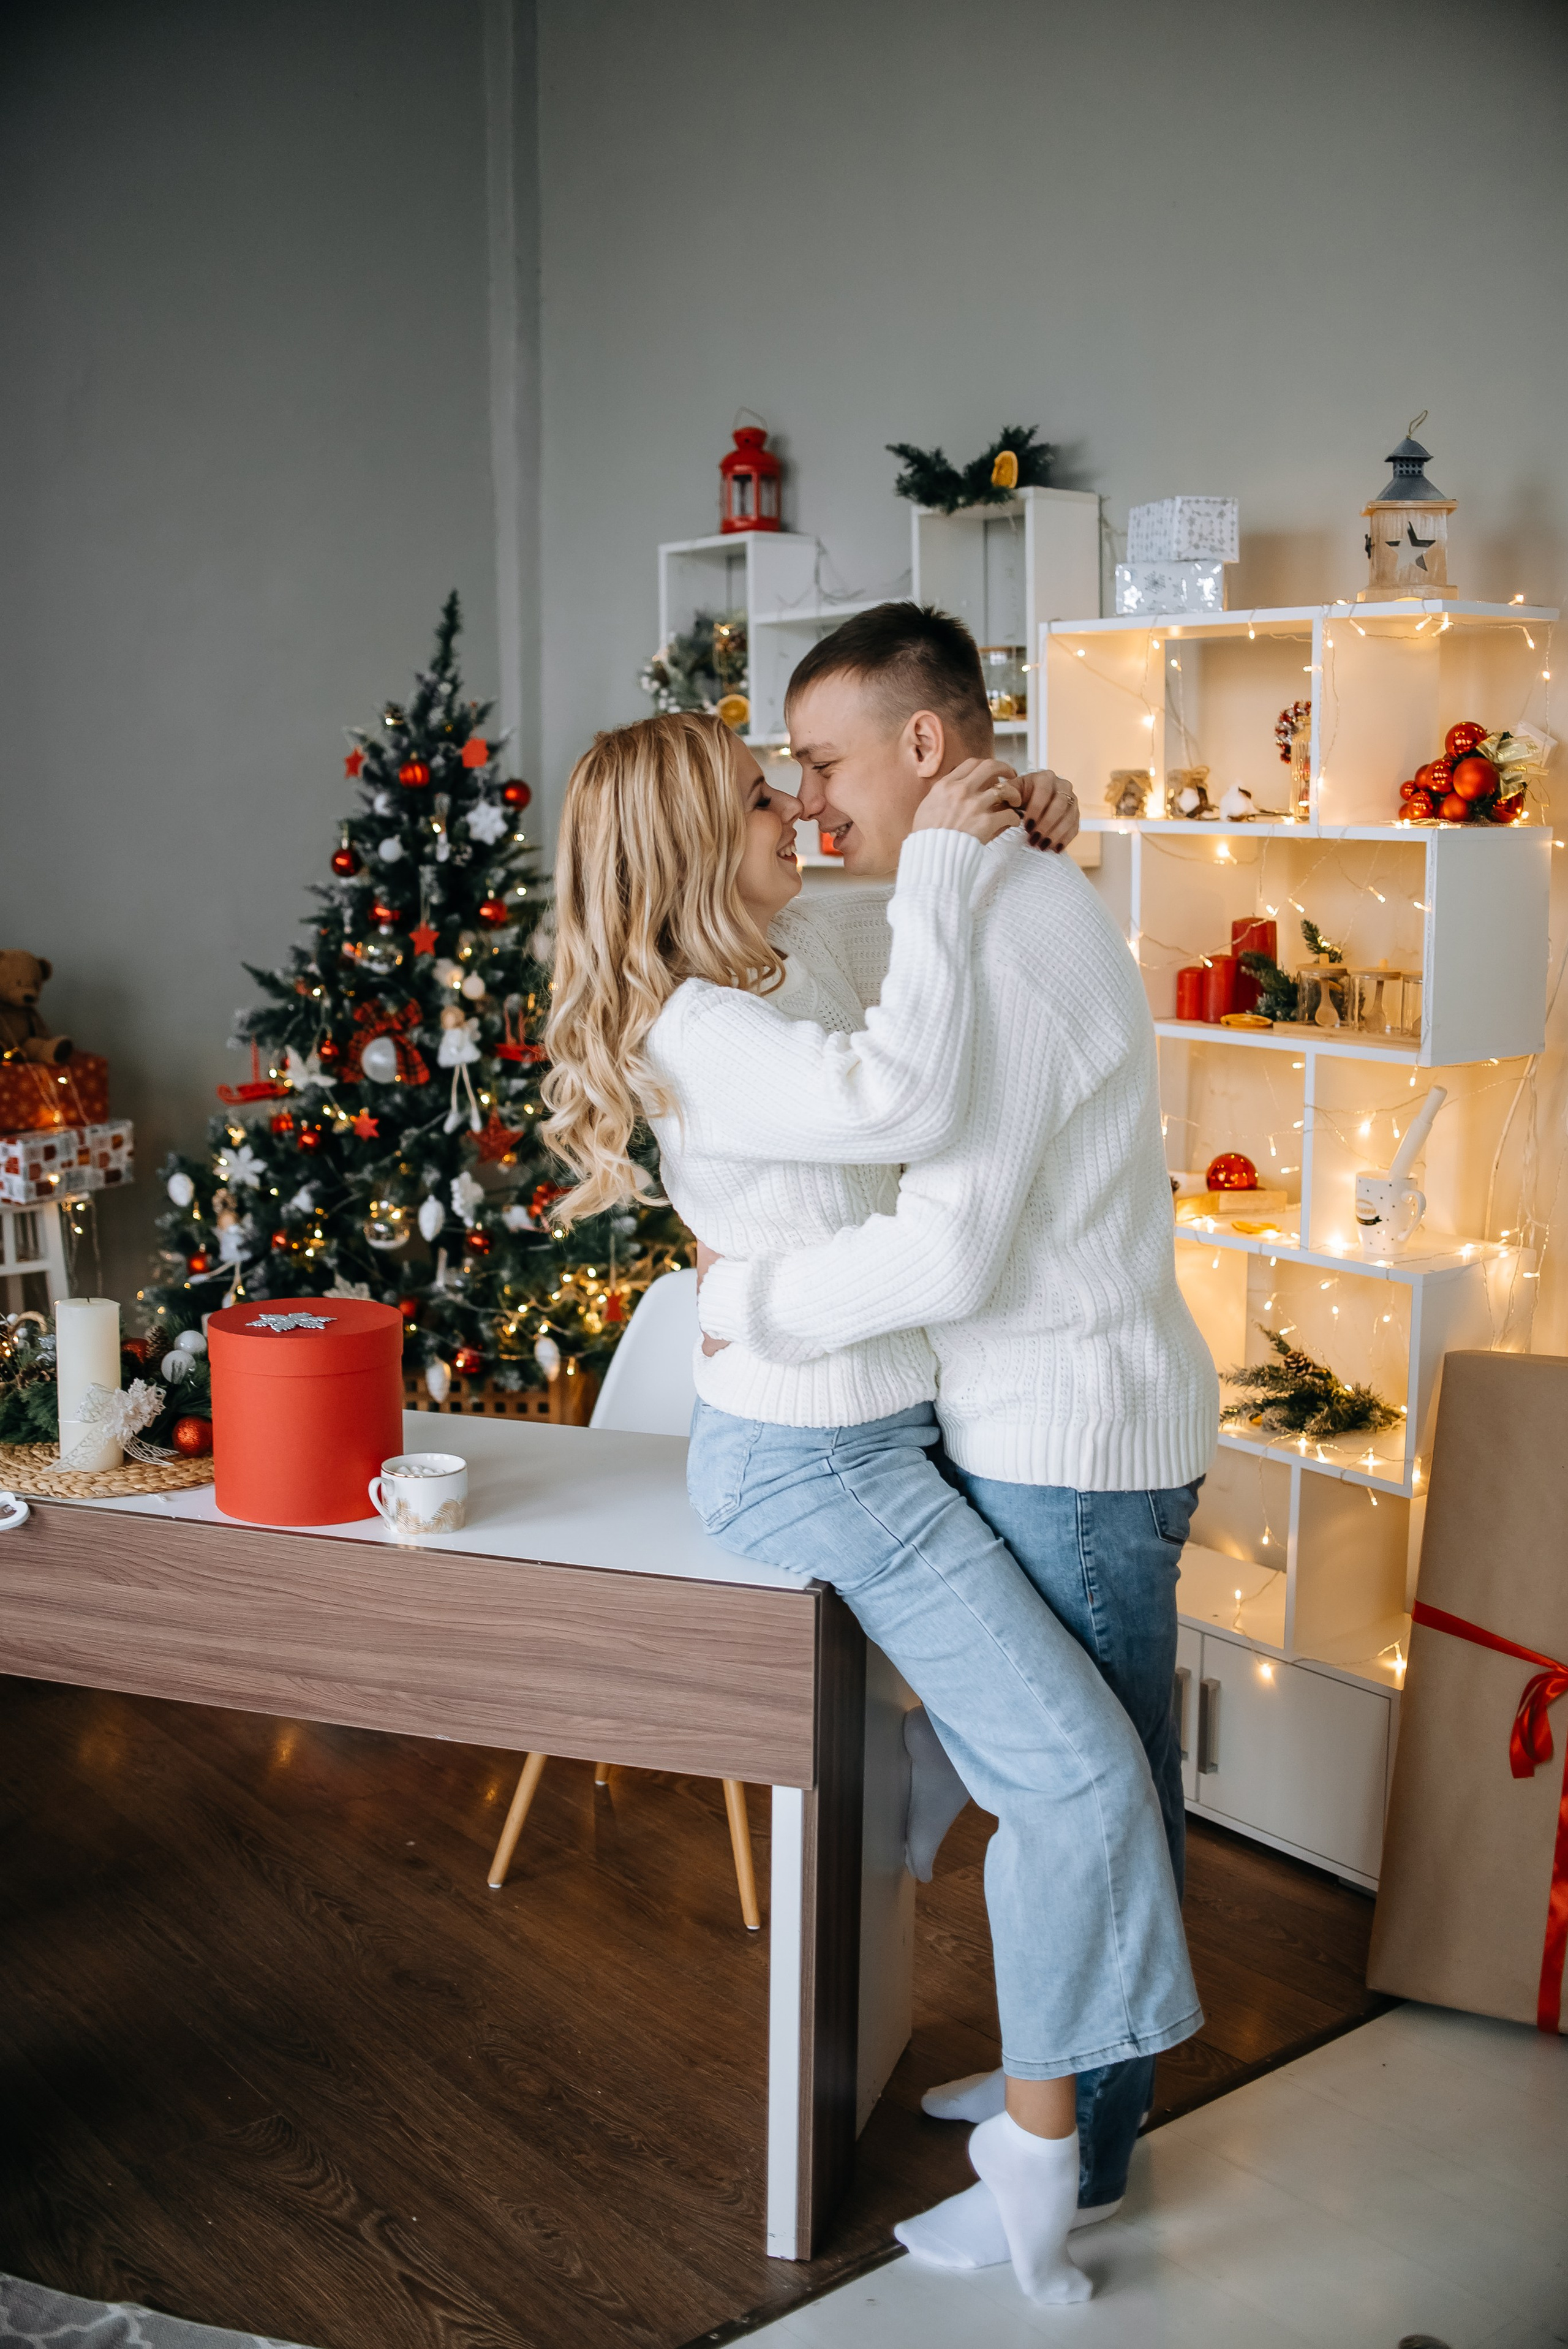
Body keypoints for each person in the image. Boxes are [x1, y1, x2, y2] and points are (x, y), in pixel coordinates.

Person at [542, 708, 1202, 2307]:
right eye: (764, 796)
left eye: (796, 776)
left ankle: (1024, 2040)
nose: (797, 808)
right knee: (1078, 1775)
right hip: (818, 1463)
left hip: (872, 1445)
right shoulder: (706, 1023)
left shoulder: (756, 963)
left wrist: (1022, 822)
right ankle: (1043, 2154)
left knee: (1039, 1763)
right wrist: (950, 872)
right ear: (699, 847)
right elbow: (907, 1092)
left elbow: (905, 895)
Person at [695, 603, 1219, 2260]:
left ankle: (1092, 2152)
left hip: (1074, 1433)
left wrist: (755, 1303)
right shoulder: (969, 893)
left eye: (827, 763)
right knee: (1066, 1776)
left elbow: (952, 1240)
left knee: (1096, 1786)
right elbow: (839, 938)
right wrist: (1008, 809)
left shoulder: (1003, 928)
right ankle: (1049, 2084)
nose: (812, 800)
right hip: (1029, 1415)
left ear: (924, 746)